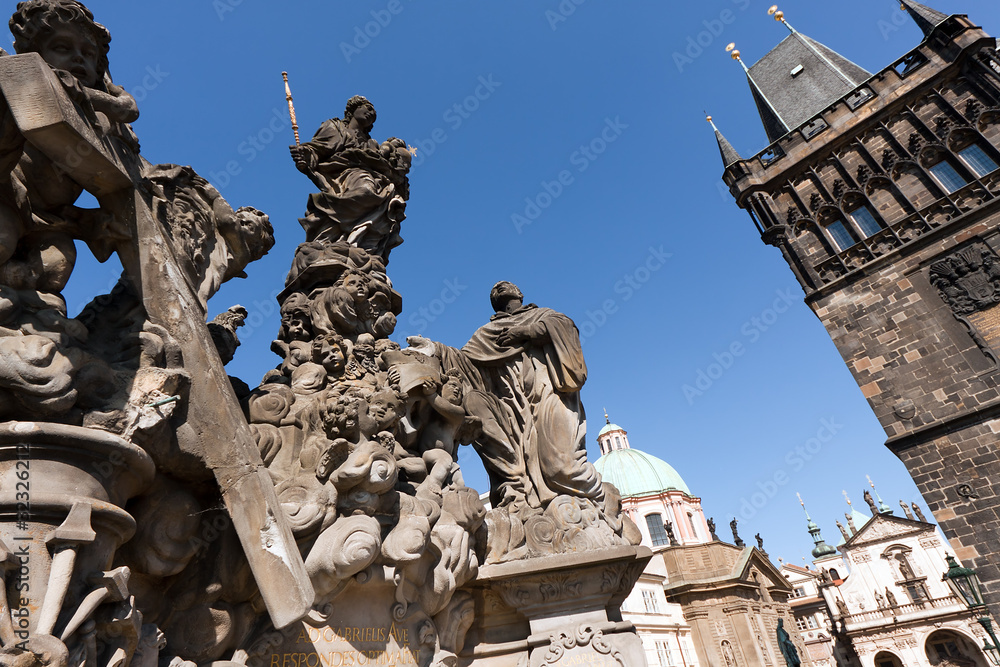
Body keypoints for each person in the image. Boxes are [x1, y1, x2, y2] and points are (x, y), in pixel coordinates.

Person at [430, 281, 603, 510]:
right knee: (478, 406)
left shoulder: (544, 316)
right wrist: (435, 349)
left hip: (549, 395)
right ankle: (531, 501)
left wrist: (524, 332)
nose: (498, 286)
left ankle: (600, 501)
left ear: (519, 293)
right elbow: (462, 363)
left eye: (505, 286)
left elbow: (565, 327)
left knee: (562, 467)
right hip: (514, 410)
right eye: (494, 290)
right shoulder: (487, 335)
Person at [290, 96, 408, 262]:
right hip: (343, 174)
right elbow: (316, 148)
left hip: (369, 176)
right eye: (367, 108)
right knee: (367, 189)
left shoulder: (371, 143)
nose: (370, 113)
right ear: (353, 109)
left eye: (373, 114)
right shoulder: (335, 127)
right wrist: (304, 155)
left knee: (390, 196)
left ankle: (361, 245)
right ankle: (336, 236)